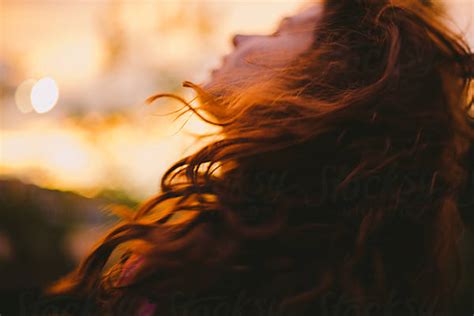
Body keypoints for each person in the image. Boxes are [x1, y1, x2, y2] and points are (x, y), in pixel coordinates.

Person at [44, 0, 474, 315]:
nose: (239, 36)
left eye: (281, 30)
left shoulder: (249, 267)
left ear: (324, 76)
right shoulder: (298, 248)